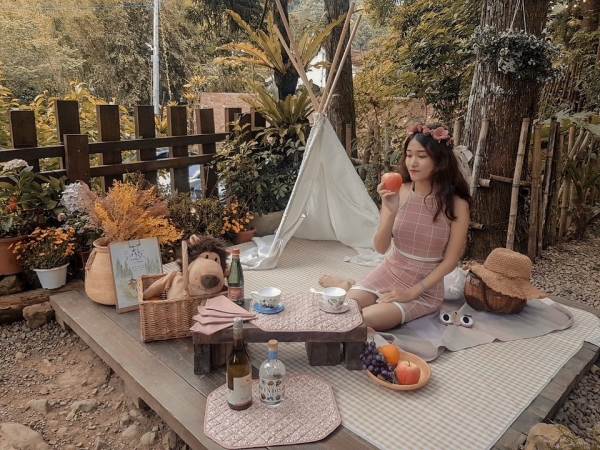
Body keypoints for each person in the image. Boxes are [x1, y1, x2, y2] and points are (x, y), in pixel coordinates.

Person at [319, 124, 472, 331]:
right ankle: (347, 285)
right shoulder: (397, 191)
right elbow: (380, 248)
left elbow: (450, 262)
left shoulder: (457, 205)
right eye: (408, 155)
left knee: (363, 320)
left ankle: (349, 286)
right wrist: (390, 212)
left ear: (439, 161)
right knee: (341, 309)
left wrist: (411, 293)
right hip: (389, 271)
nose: (412, 162)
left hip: (424, 289)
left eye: (421, 156)